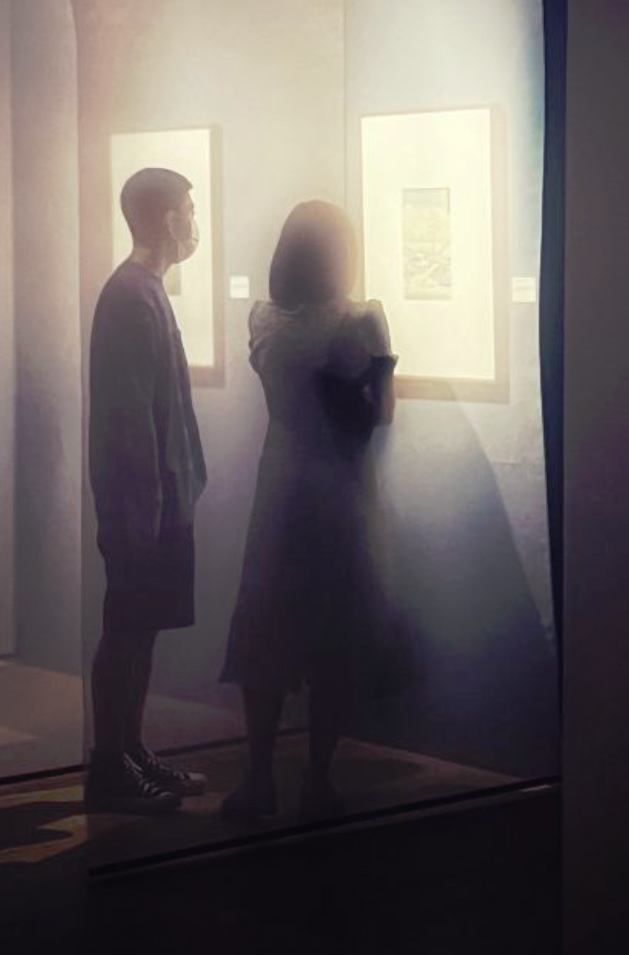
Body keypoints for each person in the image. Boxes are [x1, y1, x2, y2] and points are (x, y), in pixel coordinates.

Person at [219, 200, 398, 823]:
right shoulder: (361, 320)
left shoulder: (262, 319)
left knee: (268, 624)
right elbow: (382, 413)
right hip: (337, 486)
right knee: (332, 628)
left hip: (280, 482)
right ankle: (317, 779)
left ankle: (258, 776)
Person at [85, 167, 210, 814]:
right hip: (142, 503)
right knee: (127, 628)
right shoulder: (130, 296)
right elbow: (128, 416)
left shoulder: (143, 291)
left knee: (142, 628)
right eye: (189, 208)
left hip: (157, 498)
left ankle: (129, 750)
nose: (194, 221)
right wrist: (144, 509)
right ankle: (110, 762)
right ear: (166, 218)